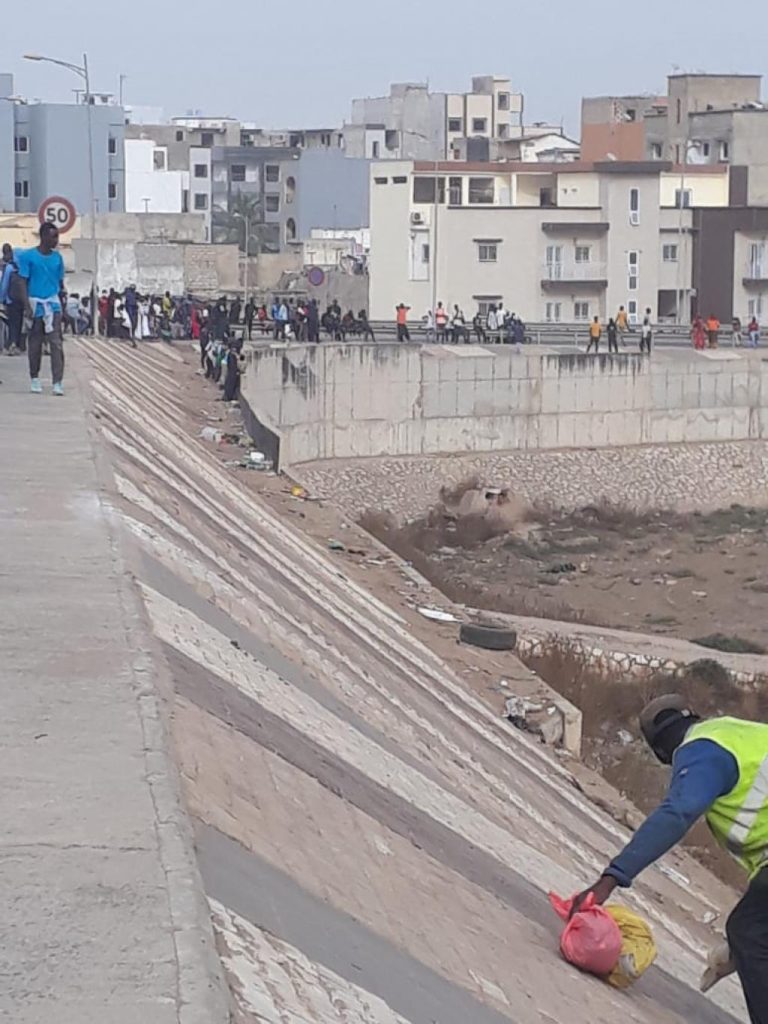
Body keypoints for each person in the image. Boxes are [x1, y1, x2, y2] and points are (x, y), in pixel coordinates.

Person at [572, 694, 768, 1024]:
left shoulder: (702, 751)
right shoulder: (740, 733)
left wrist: (611, 879)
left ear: (663, 754)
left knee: (746, 930)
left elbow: (678, 812)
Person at [16, 222, 66, 395]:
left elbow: (60, 283)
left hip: (53, 304)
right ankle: (34, 377)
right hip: (35, 303)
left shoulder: (58, 258)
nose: (56, 240)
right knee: (35, 343)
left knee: (56, 344)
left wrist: (62, 305)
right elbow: (22, 281)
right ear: (44, 237)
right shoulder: (28, 256)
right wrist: (26, 305)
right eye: (53, 236)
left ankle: (58, 381)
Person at [0, 242, 25, 353]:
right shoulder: (23, 266)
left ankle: (12, 344)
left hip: (11, 299)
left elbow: (5, 284)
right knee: (19, 322)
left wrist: (2, 299)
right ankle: (19, 345)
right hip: (23, 298)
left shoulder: (10, 267)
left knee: (12, 323)